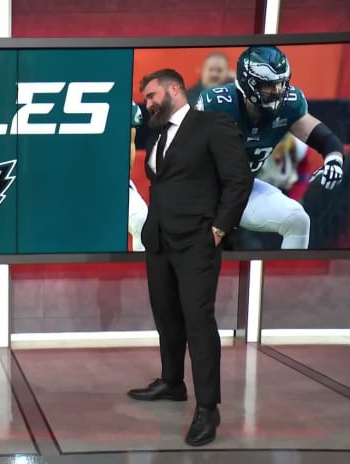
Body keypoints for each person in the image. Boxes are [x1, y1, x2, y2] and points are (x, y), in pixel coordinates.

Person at [128, 69, 252, 447]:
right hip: (160, 241)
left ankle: (208, 408)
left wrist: (219, 229)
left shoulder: (212, 125)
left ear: (174, 89)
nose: (147, 104)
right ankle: (172, 382)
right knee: (167, 315)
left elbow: (238, 180)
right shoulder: (159, 135)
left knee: (199, 322)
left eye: (151, 96)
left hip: (198, 242)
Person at [196, 45, 346, 249]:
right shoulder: (218, 104)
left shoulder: (289, 105)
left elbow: (325, 138)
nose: (278, 91)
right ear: (250, 83)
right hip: (199, 193)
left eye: (282, 83)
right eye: (269, 85)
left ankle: (293, 279)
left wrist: (334, 160)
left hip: (242, 190)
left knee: (297, 220)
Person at [128, 100, 148, 251]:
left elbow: (130, 141)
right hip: (64, 177)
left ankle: (141, 273)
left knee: (140, 218)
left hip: (109, 180)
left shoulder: (125, 103)